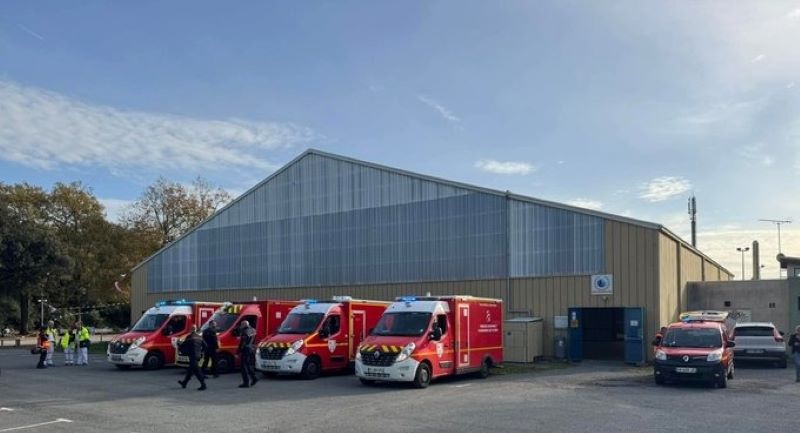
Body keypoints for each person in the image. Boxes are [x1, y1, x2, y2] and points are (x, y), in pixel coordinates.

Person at [178, 326, 207, 391]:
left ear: (191, 330)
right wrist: (201, 352)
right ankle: (184, 383)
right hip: (198, 356)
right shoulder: (200, 337)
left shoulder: (189, 337)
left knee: (197, 371)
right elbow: (206, 346)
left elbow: (183, 345)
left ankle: (203, 385)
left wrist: (179, 345)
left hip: (192, 356)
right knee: (191, 370)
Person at [237, 320, 258, 388]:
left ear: (244, 324)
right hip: (251, 348)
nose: (241, 326)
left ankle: (246, 382)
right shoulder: (253, 330)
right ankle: (254, 378)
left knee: (243, 366)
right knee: (248, 365)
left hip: (245, 349)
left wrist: (238, 352)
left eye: (242, 325)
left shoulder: (245, 331)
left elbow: (243, 342)